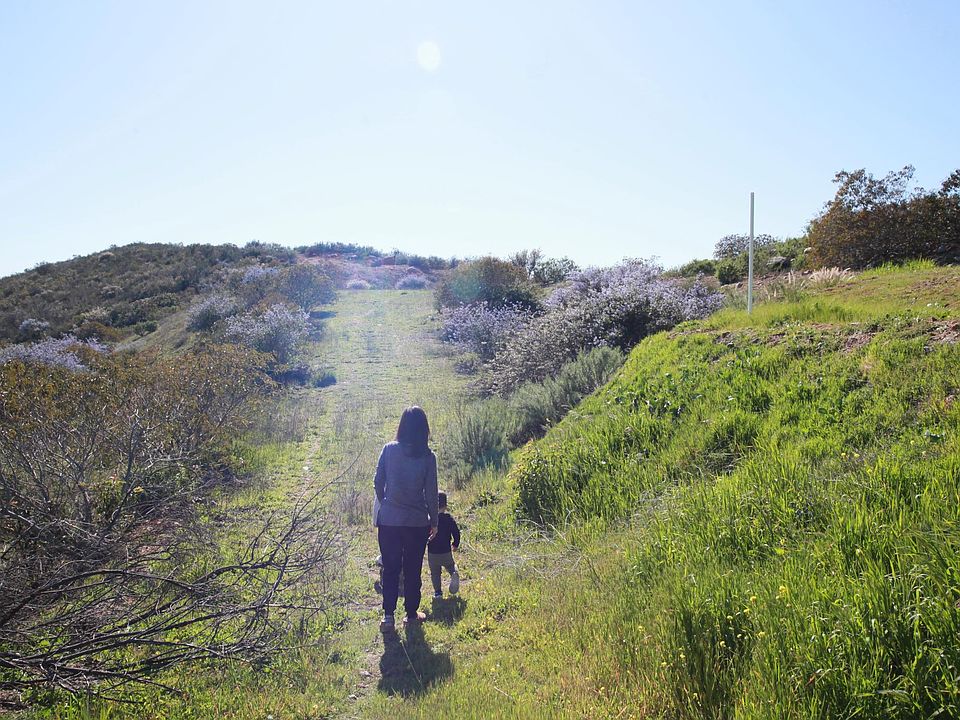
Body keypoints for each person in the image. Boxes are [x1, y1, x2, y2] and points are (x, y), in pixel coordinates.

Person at [373, 406, 438, 632]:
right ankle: (411, 615)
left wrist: (387, 503)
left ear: (401, 426)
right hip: (416, 522)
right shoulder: (428, 458)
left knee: (390, 568)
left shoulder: (389, 450)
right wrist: (435, 521)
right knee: (412, 569)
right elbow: (431, 492)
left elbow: (377, 481)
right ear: (424, 429)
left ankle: (388, 617)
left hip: (389, 521)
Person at [427, 491, 461, 598]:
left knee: (435, 573)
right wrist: (455, 544)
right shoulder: (448, 518)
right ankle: (454, 574)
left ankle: (437, 592)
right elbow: (456, 532)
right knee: (451, 566)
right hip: (446, 551)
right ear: (445, 506)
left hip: (433, 553)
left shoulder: (430, 520)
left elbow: (424, 534)